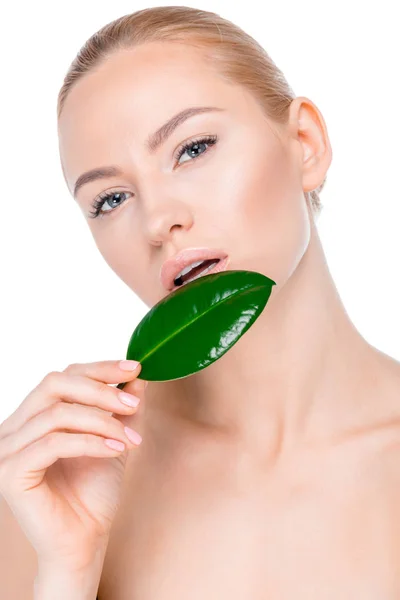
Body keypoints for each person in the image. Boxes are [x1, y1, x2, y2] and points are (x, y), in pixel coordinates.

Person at [1, 5, 400, 599]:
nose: (160, 220)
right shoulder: (52, 482)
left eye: (193, 148)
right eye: (110, 199)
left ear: (306, 144)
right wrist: (66, 574)